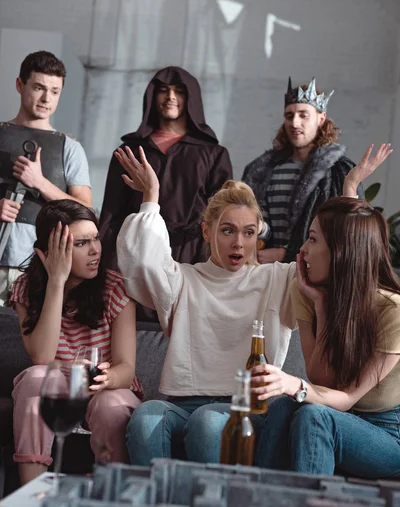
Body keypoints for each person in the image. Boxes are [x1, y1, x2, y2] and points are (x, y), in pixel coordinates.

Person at [113, 143, 386, 467]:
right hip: (184, 405)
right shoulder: (182, 280)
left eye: (248, 232)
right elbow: (141, 262)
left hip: (249, 410)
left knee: (208, 421)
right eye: (227, 231)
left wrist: (350, 190)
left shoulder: (279, 279)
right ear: (207, 231)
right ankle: (156, 505)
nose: (238, 243)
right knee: (146, 416)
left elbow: (340, 253)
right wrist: (151, 197)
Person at [252, 157, 400, 479]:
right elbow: (322, 382)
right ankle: (256, 503)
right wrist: (321, 306)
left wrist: (291, 382)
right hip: (337, 413)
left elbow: (345, 399)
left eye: (313, 239)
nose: (302, 250)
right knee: (282, 407)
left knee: (313, 416)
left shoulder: (392, 311)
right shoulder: (306, 292)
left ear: (342, 251)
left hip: (388, 433)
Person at [10, 199, 142, 485]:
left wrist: (107, 377)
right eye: (81, 243)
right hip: (56, 385)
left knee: (110, 405)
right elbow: (42, 358)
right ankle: (32, 495)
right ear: (48, 252)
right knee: (36, 379)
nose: (95, 250)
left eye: (95, 238)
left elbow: (126, 369)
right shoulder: (25, 288)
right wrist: (57, 282)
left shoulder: (115, 288)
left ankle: (110, 498)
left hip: (106, 389)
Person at [99, 66, 232, 322]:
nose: (170, 96)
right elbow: (111, 214)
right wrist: (107, 269)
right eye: (163, 90)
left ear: (190, 98)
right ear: (152, 97)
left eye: (178, 91)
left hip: (192, 258)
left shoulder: (213, 155)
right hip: (136, 257)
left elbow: (221, 218)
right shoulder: (130, 151)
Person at [0, 50, 91, 305]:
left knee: (30, 343)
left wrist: (39, 182)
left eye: (54, 91)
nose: (46, 98)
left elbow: (85, 210)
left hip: (42, 267)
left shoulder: (70, 148)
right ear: (20, 85)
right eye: (39, 87)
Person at [242, 77, 362, 265]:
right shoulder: (261, 171)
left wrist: (287, 254)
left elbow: (346, 231)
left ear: (321, 119)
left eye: (303, 115)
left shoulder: (338, 172)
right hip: (264, 272)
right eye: (289, 116)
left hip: (317, 270)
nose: (295, 123)